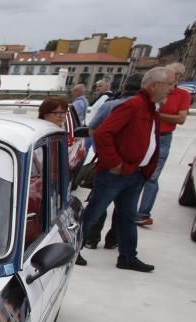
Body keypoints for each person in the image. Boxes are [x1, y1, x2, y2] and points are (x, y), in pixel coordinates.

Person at [75, 66, 176, 272]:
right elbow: (103, 134)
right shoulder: (133, 106)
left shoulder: (150, 109)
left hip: (134, 174)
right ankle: (72, 251)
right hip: (117, 174)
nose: (172, 89)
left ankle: (128, 257)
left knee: (127, 216)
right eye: (169, 85)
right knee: (94, 212)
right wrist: (114, 163)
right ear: (155, 85)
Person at [82, 74, 142, 250]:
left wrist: (104, 155)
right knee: (122, 211)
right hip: (122, 167)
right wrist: (112, 160)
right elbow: (98, 132)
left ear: (124, 87)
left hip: (121, 166)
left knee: (98, 207)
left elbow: (93, 130)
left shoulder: (110, 105)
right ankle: (117, 244)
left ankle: (91, 240)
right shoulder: (124, 107)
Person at [135, 63, 191, 227]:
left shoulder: (183, 95)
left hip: (163, 137)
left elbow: (181, 119)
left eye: (171, 76)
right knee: (135, 173)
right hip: (145, 133)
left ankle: (143, 214)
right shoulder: (153, 90)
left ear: (179, 77)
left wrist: (156, 114)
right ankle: (129, 209)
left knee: (152, 177)